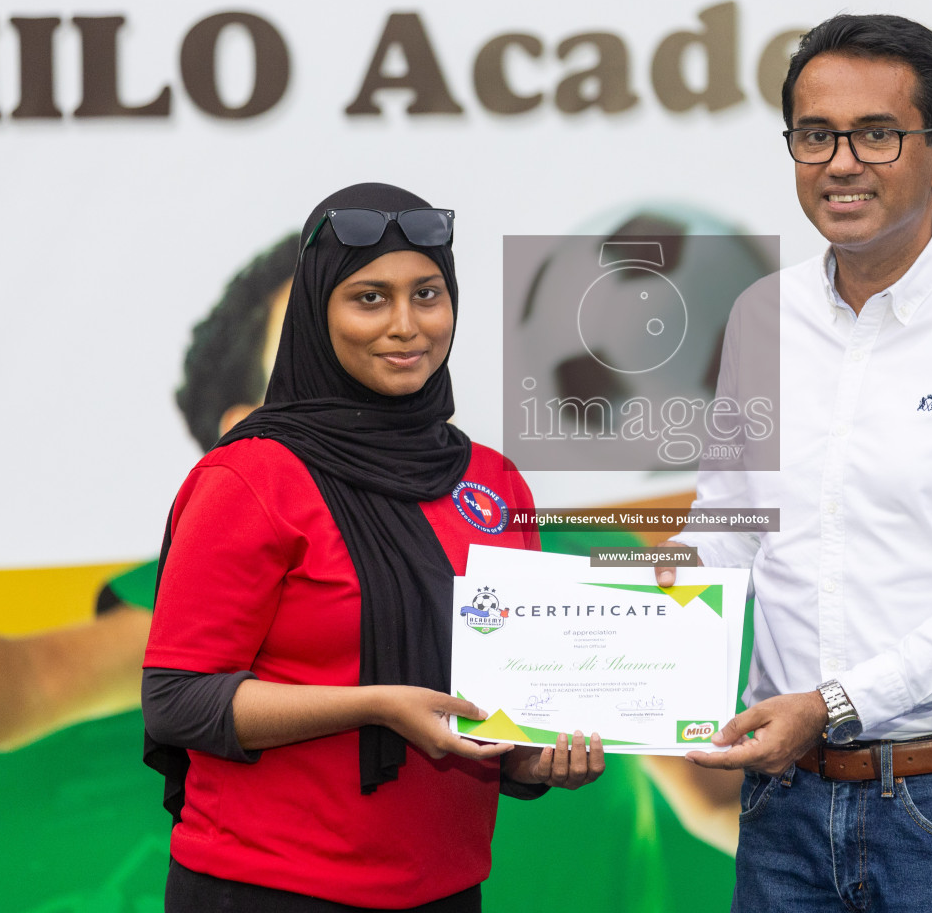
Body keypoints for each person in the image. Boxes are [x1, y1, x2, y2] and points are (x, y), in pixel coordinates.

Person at [661, 14, 932, 912]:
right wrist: (591, 663)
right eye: (815, 135)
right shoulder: (761, 317)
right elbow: (727, 536)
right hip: (782, 803)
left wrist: (832, 704)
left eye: (877, 134)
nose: (841, 162)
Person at [141, 182, 604, 912]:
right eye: (368, 298)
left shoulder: (492, 481)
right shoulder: (249, 475)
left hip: (444, 889)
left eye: (427, 294)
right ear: (316, 313)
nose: (405, 325)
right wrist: (374, 706)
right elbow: (177, 701)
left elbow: (513, 696)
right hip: (265, 888)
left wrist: (538, 758)